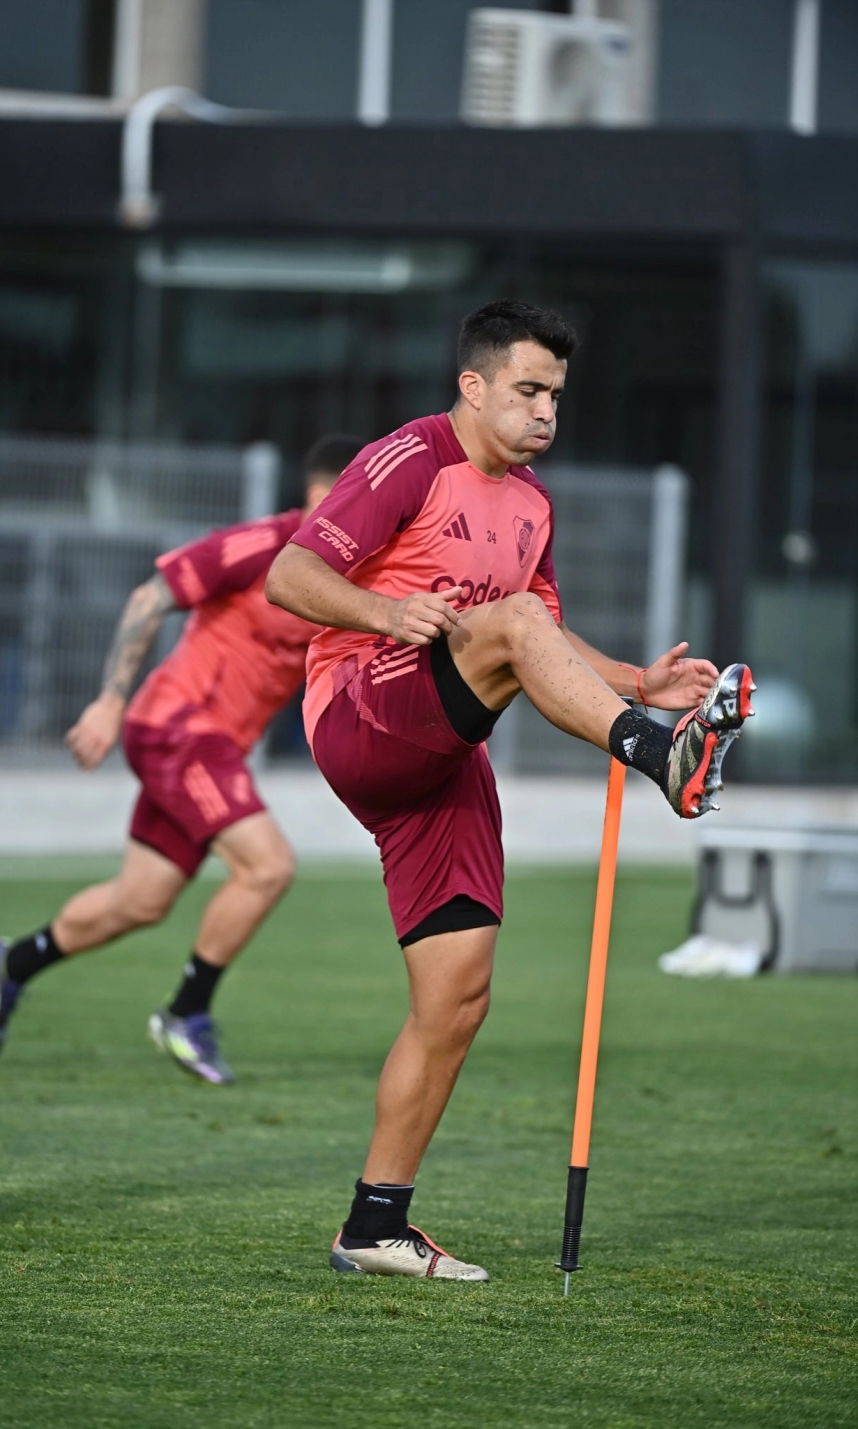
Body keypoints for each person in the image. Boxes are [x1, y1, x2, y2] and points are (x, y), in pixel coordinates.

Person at [265, 300, 754, 1280]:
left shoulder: (534, 503)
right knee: (517, 623)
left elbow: (540, 641)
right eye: (529, 390)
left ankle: (375, 1226)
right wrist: (383, 610)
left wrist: (634, 677)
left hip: (444, 752)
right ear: (473, 384)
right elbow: (291, 574)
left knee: (456, 998)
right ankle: (663, 756)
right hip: (363, 709)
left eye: (558, 398)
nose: (545, 413)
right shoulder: (408, 456)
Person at [0, 434, 364, 1084]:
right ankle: (186, 1012)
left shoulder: (355, 579)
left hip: (211, 748)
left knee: (140, 901)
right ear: (320, 494)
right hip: (178, 728)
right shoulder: (262, 546)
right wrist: (107, 701)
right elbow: (147, 598)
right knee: (268, 867)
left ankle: (12, 964)